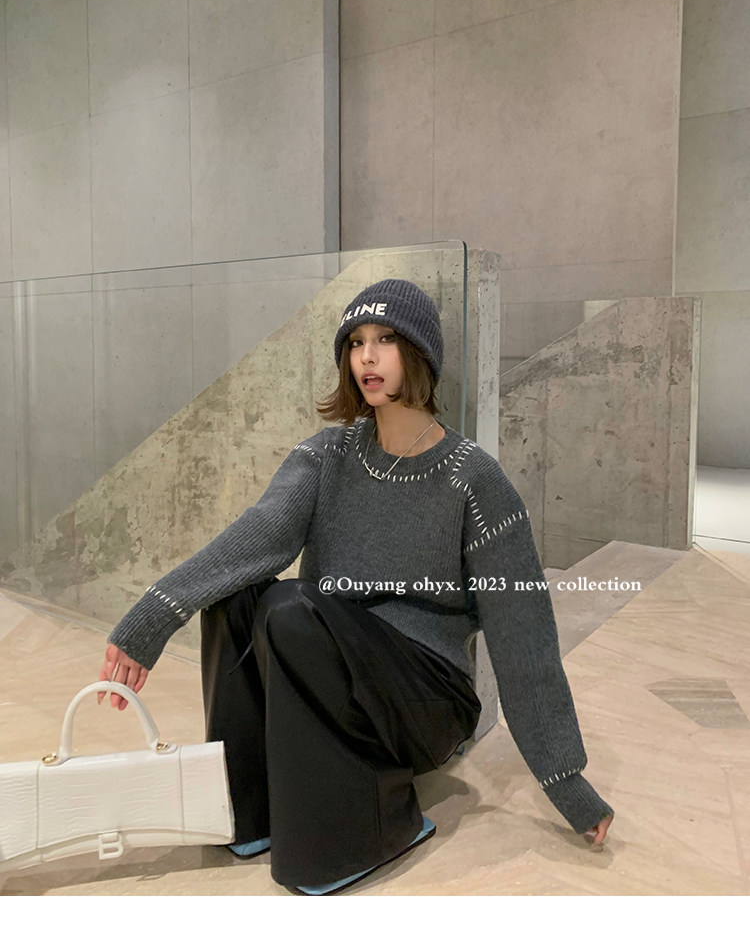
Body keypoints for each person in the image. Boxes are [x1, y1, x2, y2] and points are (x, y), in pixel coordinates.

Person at [99, 277, 614, 895]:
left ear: (418, 354)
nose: (367, 357)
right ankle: (248, 808)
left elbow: (523, 639)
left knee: (290, 607)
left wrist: (566, 781)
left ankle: (371, 828)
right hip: (335, 662)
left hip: (428, 699)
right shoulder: (328, 456)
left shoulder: (474, 481)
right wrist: (153, 616)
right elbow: (256, 536)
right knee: (238, 598)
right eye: (355, 342)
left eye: (386, 340)